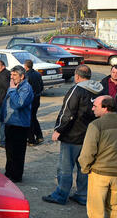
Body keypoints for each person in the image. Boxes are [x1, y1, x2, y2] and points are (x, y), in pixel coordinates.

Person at [43, 65, 103, 205]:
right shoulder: (99, 90)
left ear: (77, 75)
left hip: (72, 136)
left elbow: (67, 113)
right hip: (89, 136)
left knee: (65, 167)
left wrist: (58, 130)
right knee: (84, 168)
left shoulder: (77, 90)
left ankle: (61, 194)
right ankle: (82, 195)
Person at [0, 65, 33, 183]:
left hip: (20, 124)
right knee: (9, 150)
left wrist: (12, 90)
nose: (12, 78)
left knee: (17, 152)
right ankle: (9, 172)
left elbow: (19, 103)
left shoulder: (26, 88)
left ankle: (16, 175)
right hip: (10, 123)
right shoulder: (14, 86)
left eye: (14, 75)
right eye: (11, 75)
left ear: (22, 76)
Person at [24, 60, 44, 146]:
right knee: (33, 118)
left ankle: (31, 139)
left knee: (30, 120)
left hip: (30, 100)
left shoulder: (26, 76)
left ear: (26, 66)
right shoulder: (38, 74)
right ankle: (39, 136)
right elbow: (42, 86)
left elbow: (26, 89)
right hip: (37, 99)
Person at [0, 61, 11, 148]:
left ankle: (3, 141)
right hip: (4, 101)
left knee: (3, 123)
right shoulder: (7, 73)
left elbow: (6, 88)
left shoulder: (2, 76)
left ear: (3, 66)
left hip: (3, 102)